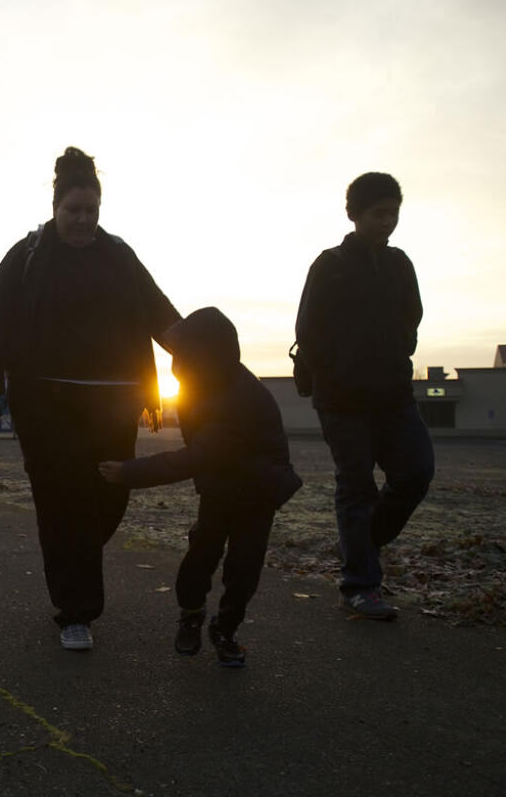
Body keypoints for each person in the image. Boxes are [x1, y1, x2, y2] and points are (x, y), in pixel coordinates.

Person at [0, 146, 181, 651]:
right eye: (74, 210)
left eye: (91, 210)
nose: (84, 220)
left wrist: (204, 354)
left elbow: (159, 312)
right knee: (60, 501)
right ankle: (76, 611)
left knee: (111, 495)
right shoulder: (27, 257)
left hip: (113, 404)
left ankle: (74, 563)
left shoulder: (119, 257)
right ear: (55, 208)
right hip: (44, 405)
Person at [99, 307, 302, 667]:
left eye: (183, 353)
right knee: (201, 555)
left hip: (257, 491)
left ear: (205, 354)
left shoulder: (239, 396)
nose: (177, 361)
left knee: (244, 567)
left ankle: (225, 629)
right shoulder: (203, 384)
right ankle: (191, 613)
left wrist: (130, 472)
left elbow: (198, 455)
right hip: (220, 487)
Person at [295, 172, 435, 620]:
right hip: (342, 399)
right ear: (354, 214)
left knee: (416, 472)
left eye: (393, 213)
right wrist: (333, 373)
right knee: (356, 487)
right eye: (378, 213)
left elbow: (412, 319)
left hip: (394, 395)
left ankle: (363, 543)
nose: (387, 222)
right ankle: (360, 584)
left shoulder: (401, 264)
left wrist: (394, 354)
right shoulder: (330, 265)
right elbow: (308, 329)